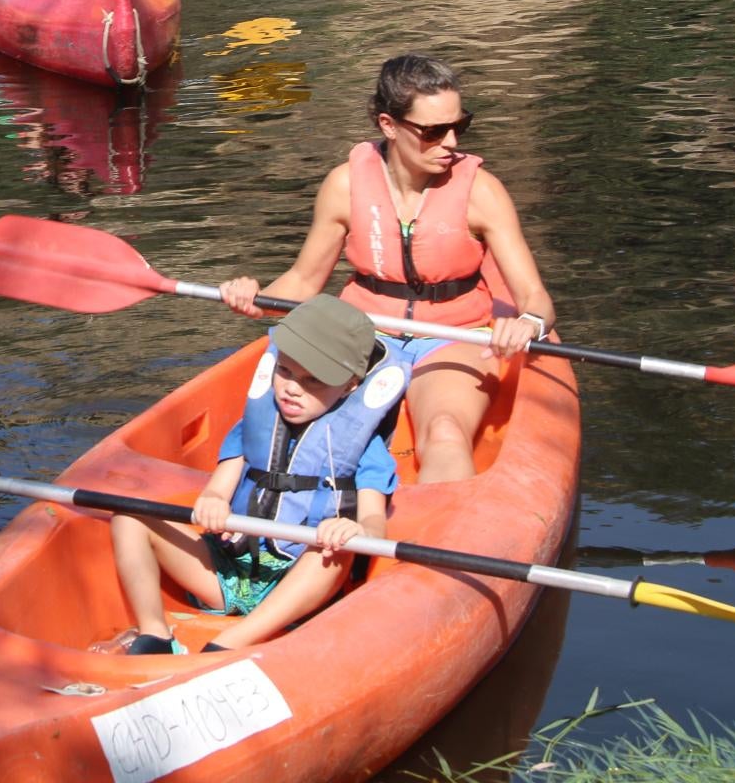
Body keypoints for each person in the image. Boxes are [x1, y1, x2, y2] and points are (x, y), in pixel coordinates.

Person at [219, 53, 556, 485]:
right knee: (303, 429)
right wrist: (254, 299)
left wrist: (527, 322)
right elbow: (303, 282)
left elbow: (536, 299)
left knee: (445, 432)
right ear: (388, 125)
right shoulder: (344, 185)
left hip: (452, 338)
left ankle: (436, 544)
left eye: (460, 125)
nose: (451, 142)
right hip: (361, 333)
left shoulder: (482, 193)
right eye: (433, 131)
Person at [110, 295, 404, 655]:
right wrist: (214, 503)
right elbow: (217, 490)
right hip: (230, 570)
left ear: (350, 386)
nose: (293, 388)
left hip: (297, 587)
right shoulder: (254, 425)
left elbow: (374, 523)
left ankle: (228, 643)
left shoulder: (365, 446)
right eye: (286, 371)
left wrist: (354, 530)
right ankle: (155, 633)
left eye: (313, 381)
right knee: (129, 515)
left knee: (333, 554)